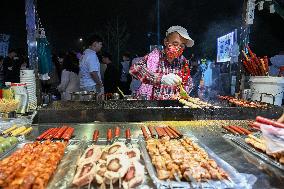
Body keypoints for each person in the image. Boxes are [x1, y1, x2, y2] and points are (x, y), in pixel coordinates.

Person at [129, 25, 194, 100]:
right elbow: (134, 69)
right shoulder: (153, 57)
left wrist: (180, 94)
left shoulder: (182, 62)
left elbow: (188, 83)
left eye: (182, 46)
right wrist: (161, 78)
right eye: (175, 43)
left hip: (171, 107)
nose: (178, 48)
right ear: (166, 42)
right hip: (151, 105)